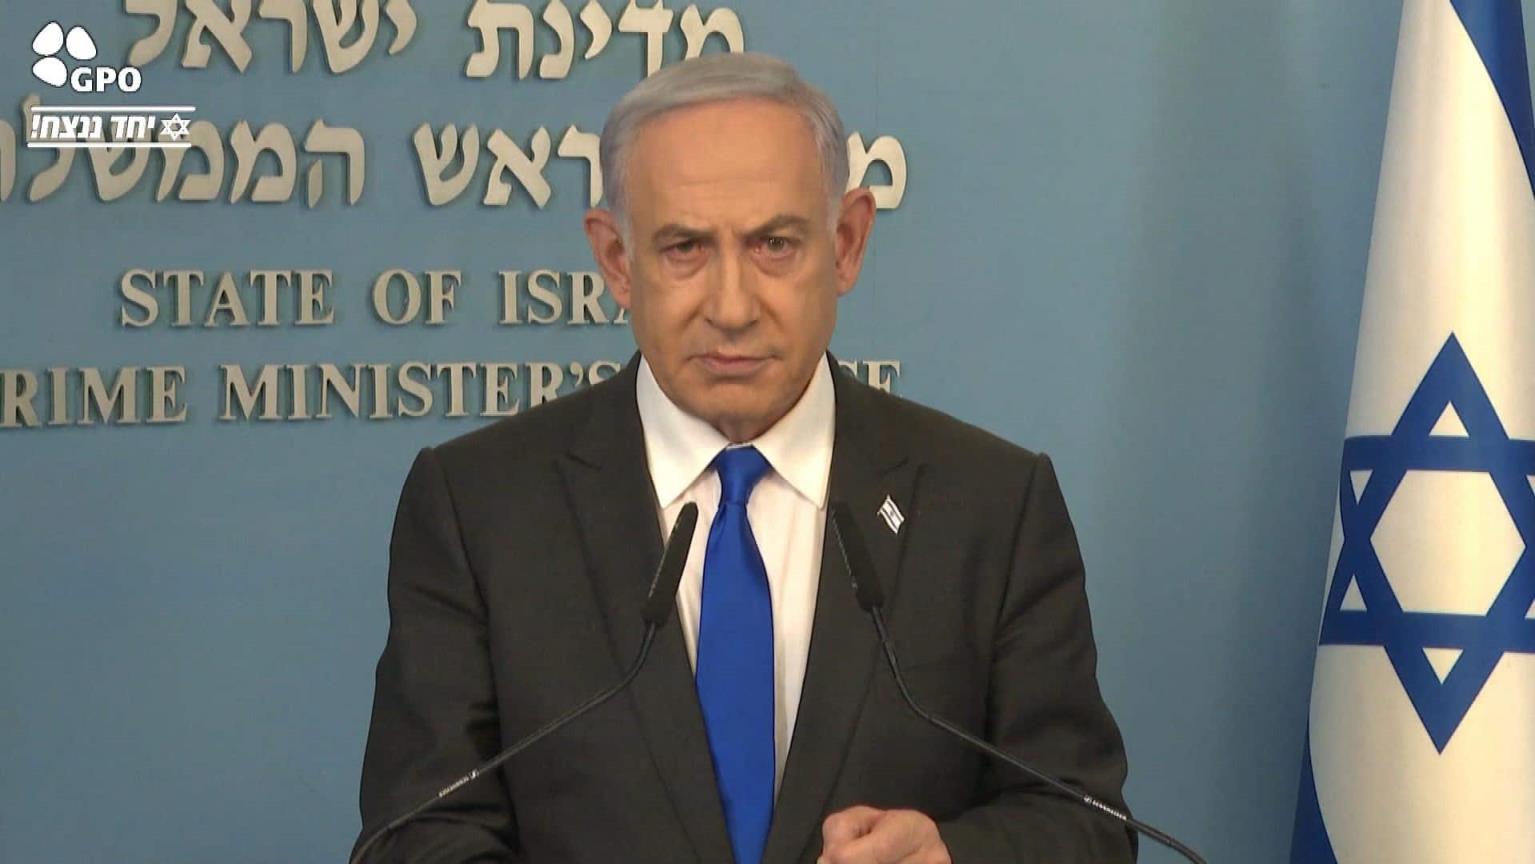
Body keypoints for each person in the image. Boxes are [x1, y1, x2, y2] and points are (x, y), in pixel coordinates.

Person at [355, 52, 1133, 864]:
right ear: (617, 261)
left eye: (774, 245)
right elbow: (416, 835)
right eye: (684, 248)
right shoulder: (478, 508)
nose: (731, 307)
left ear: (846, 242)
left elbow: (1083, 823)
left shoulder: (991, 507)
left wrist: (952, 858)